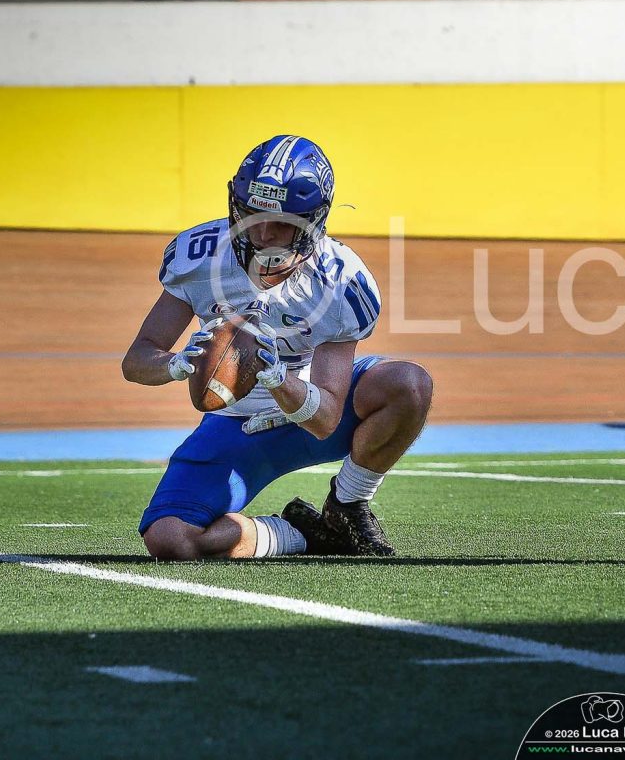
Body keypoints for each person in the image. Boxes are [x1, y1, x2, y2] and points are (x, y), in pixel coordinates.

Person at [122, 135, 433, 559]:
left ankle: (347, 505)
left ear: (313, 222)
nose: (264, 234)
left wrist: (281, 380)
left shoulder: (341, 279)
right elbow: (137, 359)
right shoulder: (199, 256)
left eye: (281, 222)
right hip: (234, 425)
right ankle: (303, 535)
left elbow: (325, 419)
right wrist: (174, 364)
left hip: (307, 411)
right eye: (252, 215)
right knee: (170, 540)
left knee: (408, 385)